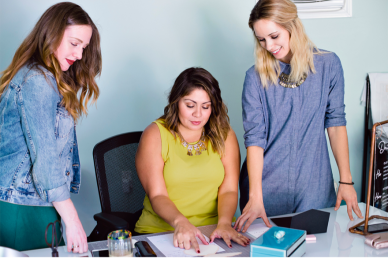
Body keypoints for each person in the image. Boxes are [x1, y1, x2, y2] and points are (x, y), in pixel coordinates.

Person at [235, 0, 363, 232]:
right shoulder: (254, 78)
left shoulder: (329, 64)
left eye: (274, 36)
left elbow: (335, 123)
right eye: (261, 39)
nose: (268, 45)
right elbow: (254, 139)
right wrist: (255, 196)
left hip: (313, 188)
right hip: (265, 191)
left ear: (292, 26)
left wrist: (346, 179)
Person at [0, 2, 101, 253]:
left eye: (84, 47)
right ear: (52, 33)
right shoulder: (38, 82)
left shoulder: (43, 78)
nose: (79, 55)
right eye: (74, 43)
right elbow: (45, 160)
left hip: (38, 202)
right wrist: (73, 220)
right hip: (22, 207)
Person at [134, 67, 250, 253]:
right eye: (190, 105)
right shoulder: (155, 134)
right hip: (163, 233)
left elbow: (228, 190)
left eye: (206, 106)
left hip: (215, 232)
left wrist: (225, 223)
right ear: (176, 101)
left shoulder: (225, 134)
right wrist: (181, 222)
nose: (198, 114)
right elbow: (158, 195)